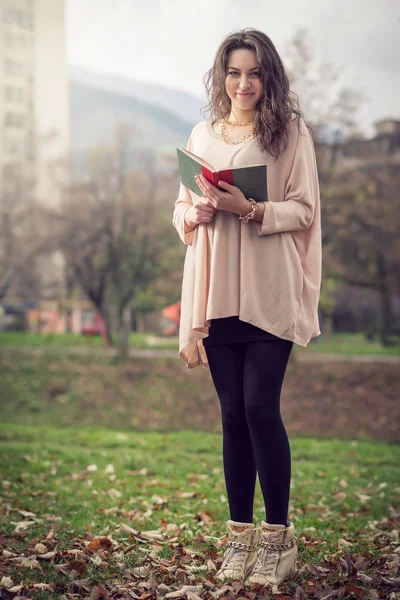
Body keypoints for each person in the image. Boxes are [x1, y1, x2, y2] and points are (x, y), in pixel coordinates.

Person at [172, 28, 322, 590]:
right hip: (216, 291)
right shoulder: (201, 133)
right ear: (222, 77)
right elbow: (181, 210)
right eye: (234, 72)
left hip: (267, 287)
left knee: (261, 409)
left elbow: (304, 210)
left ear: (269, 77)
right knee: (232, 415)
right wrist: (196, 216)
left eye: (254, 73)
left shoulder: (289, 134)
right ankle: (238, 539)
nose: (244, 83)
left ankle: (277, 540)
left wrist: (253, 208)